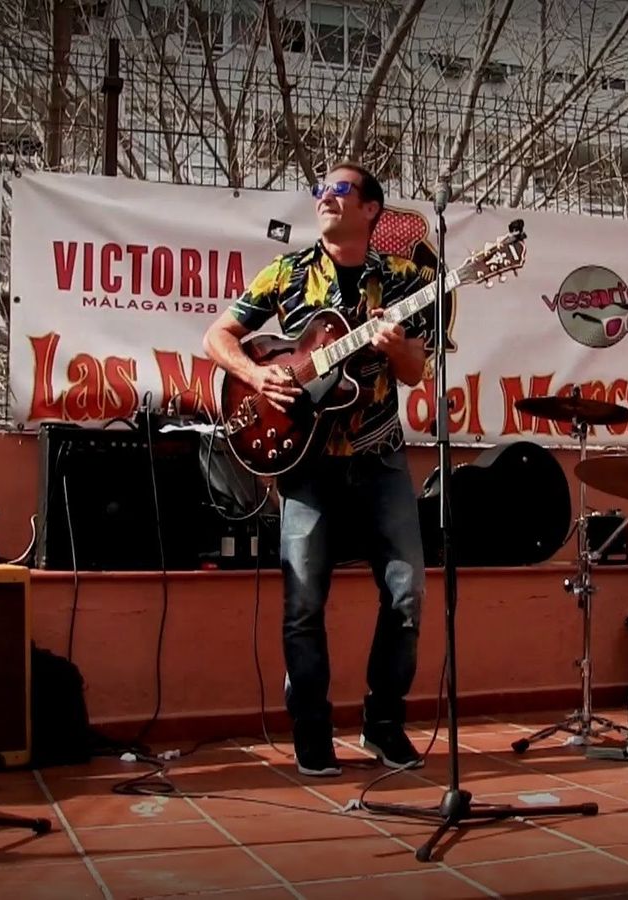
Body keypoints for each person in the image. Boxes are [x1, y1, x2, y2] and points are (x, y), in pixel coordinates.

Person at [202, 162, 434, 776]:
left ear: (372, 210)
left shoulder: (406, 281)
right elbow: (217, 336)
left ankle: (384, 724)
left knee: (408, 595)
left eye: (341, 190)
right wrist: (256, 375)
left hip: (380, 457)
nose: (326, 198)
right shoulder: (288, 272)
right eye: (321, 190)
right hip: (307, 468)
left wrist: (397, 348)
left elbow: (416, 372)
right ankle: (311, 729)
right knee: (303, 603)